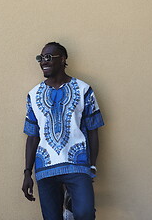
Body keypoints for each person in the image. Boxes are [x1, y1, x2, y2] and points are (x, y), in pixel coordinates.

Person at [21, 42, 104, 220]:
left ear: (63, 59)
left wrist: (93, 166)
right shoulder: (33, 95)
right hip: (45, 169)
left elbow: (93, 131)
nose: (43, 61)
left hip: (77, 165)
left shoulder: (84, 90)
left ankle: (71, 208)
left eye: (48, 57)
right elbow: (32, 136)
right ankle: (68, 209)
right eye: (41, 58)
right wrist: (27, 172)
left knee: (85, 213)